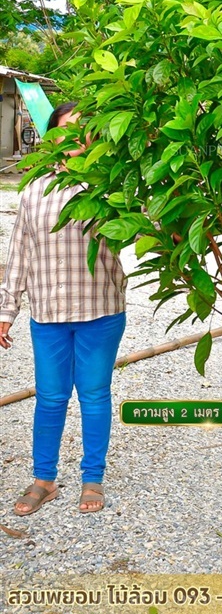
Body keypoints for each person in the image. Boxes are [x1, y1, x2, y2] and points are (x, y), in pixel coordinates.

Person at [0, 102, 127, 515]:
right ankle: (43, 480)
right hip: (49, 315)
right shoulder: (35, 189)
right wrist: (7, 310)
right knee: (51, 398)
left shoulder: (109, 187)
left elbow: (153, 224)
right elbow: (20, 250)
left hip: (100, 310)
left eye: (83, 130)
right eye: (65, 130)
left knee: (93, 395)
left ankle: (93, 479)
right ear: (52, 137)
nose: (74, 139)